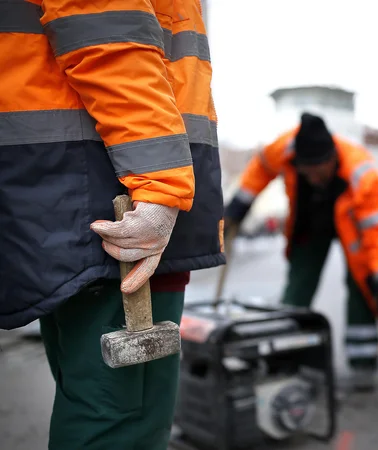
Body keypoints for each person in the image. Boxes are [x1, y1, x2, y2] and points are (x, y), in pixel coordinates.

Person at [0, 2, 222, 448]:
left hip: (76, 182)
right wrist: (160, 182)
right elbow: (108, 30)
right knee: (122, 419)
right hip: (119, 187)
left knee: (95, 401)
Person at [224, 112, 378, 391]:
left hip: (351, 227)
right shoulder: (284, 149)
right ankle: (286, 357)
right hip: (309, 224)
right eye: (306, 171)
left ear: (332, 158)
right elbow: (260, 169)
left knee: (361, 284)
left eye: (318, 171)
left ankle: (363, 362)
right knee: (299, 284)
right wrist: (238, 208)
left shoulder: (362, 172)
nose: (312, 177)